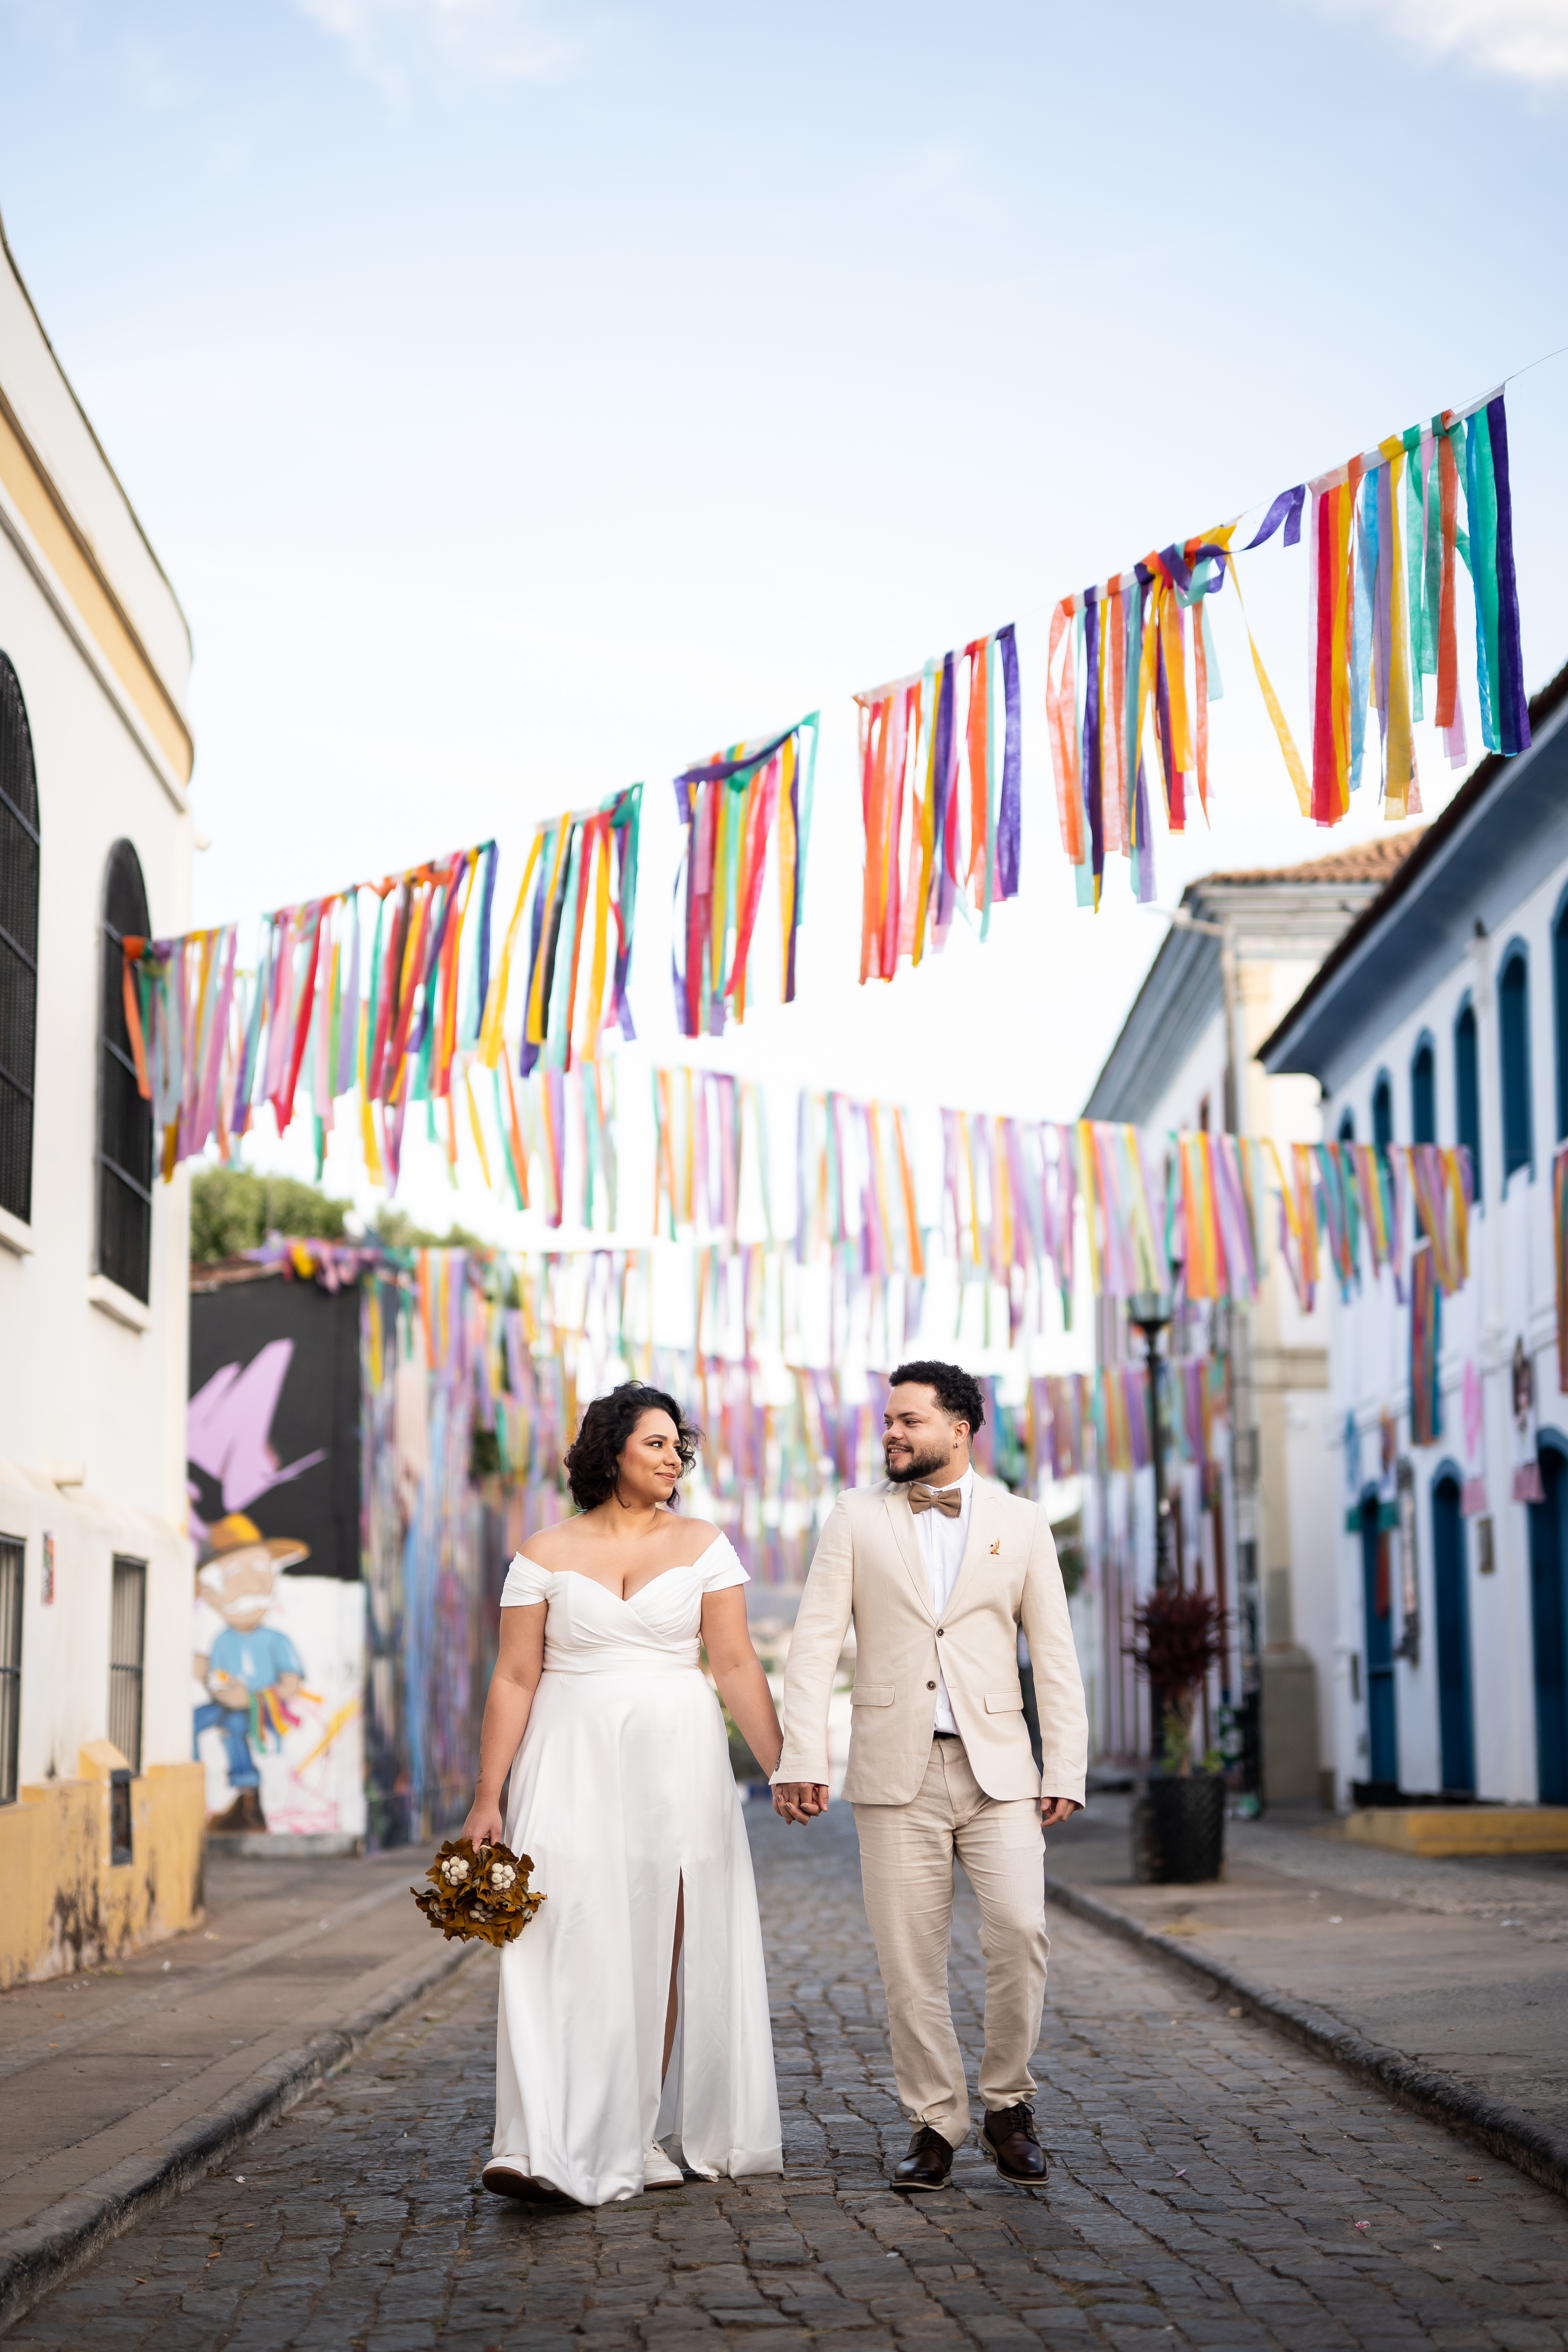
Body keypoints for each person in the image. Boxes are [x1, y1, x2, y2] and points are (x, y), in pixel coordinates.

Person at [461, 1382, 785, 2207]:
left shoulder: (705, 1544)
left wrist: (784, 1764)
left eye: (679, 1445)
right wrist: (488, 1796)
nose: (675, 1458)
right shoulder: (543, 1552)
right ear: (611, 1452)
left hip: (677, 1761)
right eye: (656, 1443)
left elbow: (735, 1662)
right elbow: (514, 1676)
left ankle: (636, 2132)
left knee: (657, 1936)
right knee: (549, 1933)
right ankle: (529, 2139)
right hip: (565, 1758)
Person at [773, 1361, 1087, 2192]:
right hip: (892, 1769)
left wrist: (1066, 1762)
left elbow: (1054, 1652)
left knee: (1020, 1930)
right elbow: (813, 1644)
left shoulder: (1022, 1521)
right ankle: (935, 2122)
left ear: (959, 1428)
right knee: (909, 1960)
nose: (891, 1432)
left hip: (999, 1770)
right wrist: (801, 1756)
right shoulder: (855, 1516)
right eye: (888, 1420)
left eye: (908, 1420)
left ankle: (1008, 2104)